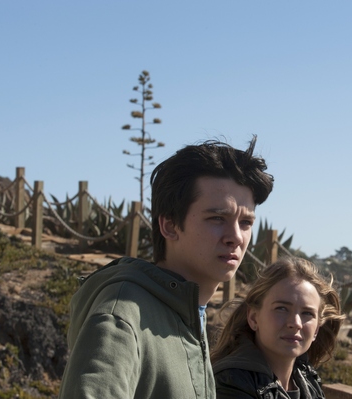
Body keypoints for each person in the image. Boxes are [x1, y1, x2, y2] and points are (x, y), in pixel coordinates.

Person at [58, 136, 274, 399]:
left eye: (246, 223)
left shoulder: (187, 312)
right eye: (217, 218)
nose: (236, 237)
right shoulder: (122, 317)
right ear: (169, 225)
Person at [211, 256, 344, 399]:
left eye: (307, 313)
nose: (295, 323)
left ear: (316, 329)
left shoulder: (307, 378)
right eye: (281, 308)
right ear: (254, 318)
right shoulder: (232, 382)